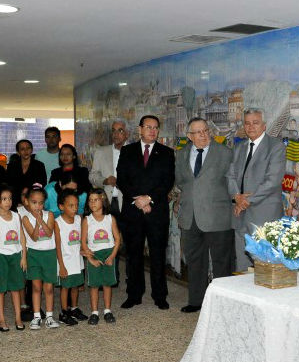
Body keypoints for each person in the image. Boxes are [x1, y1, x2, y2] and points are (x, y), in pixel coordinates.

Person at [175, 118, 234, 312]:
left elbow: (232, 182)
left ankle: (222, 304)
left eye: (205, 131)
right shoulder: (181, 155)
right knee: (195, 261)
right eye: (198, 132)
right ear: (189, 136)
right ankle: (196, 301)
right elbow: (181, 182)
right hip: (190, 217)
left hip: (218, 217)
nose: (203, 135)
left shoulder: (225, 153)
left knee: (221, 263)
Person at [116, 115, 175, 310]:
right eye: (148, 127)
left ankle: (160, 295)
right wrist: (139, 200)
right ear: (140, 129)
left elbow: (167, 182)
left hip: (156, 211)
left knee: (158, 255)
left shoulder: (166, 153)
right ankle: (134, 294)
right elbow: (122, 180)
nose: (152, 130)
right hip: (133, 211)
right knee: (134, 254)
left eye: (156, 128)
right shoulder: (127, 151)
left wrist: (149, 199)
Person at [226, 108, 286, 272]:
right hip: (240, 215)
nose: (251, 127)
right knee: (242, 266)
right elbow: (230, 176)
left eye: (255, 123)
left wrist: (245, 201)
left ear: (264, 125)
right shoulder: (239, 148)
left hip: (264, 216)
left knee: (266, 266)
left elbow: (272, 181)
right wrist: (236, 197)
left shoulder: (276, 147)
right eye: (247, 123)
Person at [0, 185, 26, 331]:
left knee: (16, 288)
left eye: (9, 198)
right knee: (0, 289)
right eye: (4, 199)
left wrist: (24, 257)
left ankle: (18, 317)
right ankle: (1, 319)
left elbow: (22, 236)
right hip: (0, 256)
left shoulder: (17, 216)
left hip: (15, 255)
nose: (8, 202)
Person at [20, 186, 59, 330]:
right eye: (34, 202)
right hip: (34, 254)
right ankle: (37, 316)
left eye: (41, 203)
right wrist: (37, 221)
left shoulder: (49, 215)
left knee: (48, 287)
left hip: (49, 253)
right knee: (36, 287)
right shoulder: (25, 218)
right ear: (27, 202)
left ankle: (49, 316)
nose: (38, 206)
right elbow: (34, 237)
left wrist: (41, 220)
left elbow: (49, 233)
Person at [81, 188, 121, 324]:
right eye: (90, 200)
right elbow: (83, 241)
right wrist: (90, 259)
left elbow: (117, 239)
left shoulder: (110, 218)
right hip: (94, 254)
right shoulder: (87, 220)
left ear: (102, 200)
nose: (92, 203)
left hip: (109, 253)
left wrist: (112, 256)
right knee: (94, 285)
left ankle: (107, 311)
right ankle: (94, 312)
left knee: (107, 284)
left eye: (96, 200)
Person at [55, 189, 88, 325]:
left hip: (77, 260)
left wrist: (83, 249)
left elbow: (80, 239)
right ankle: (64, 312)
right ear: (61, 206)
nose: (75, 208)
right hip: (65, 262)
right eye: (70, 205)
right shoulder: (58, 223)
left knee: (75, 286)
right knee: (65, 287)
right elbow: (57, 246)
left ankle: (74, 308)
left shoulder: (78, 219)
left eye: (76, 205)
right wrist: (61, 265)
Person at [90, 119, 129, 215]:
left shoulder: (134, 153)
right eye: (113, 130)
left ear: (127, 134)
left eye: (120, 130)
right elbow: (92, 176)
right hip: (106, 202)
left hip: (128, 202)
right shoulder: (101, 151)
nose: (116, 134)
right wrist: (105, 180)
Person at [6, 139, 47, 207]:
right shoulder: (12, 166)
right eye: (22, 149)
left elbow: (42, 183)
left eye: (28, 148)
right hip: (15, 202)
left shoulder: (39, 165)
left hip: (34, 201)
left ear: (31, 150)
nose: (26, 151)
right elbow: (9, 184)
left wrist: (28, 198)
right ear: (18, 152)